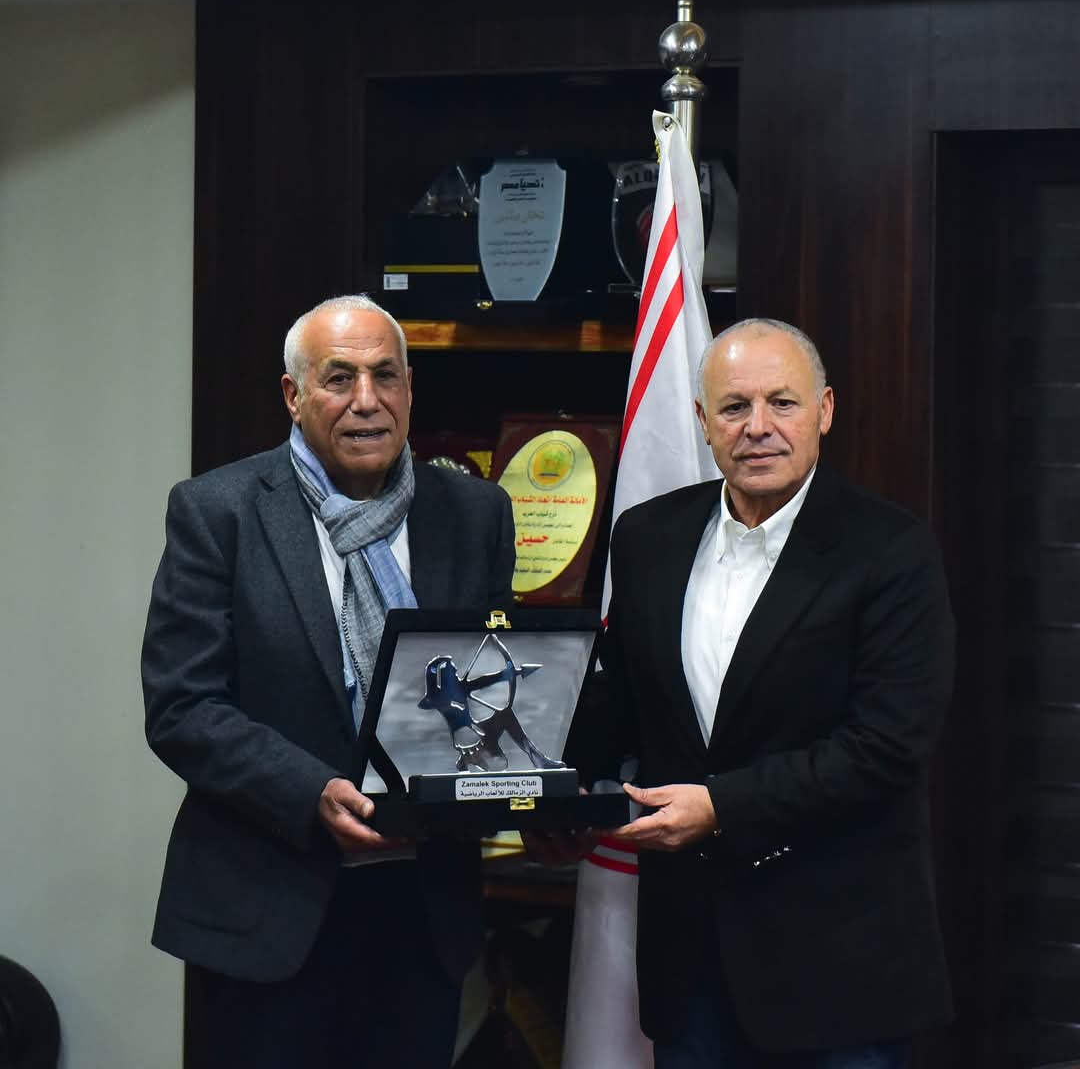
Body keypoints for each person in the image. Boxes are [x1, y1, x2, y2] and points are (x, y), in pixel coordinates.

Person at [567, 318, 954, 1068]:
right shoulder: (647, 537)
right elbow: (622, 701)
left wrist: (721, 807)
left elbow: (885, 747)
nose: (758, 427)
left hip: (837, 970)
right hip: (688, 965)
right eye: (735, 406)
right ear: (701, 420)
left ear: (825, 411)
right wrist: (562, 796)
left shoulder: (891, 551)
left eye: (782, 402)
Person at [141, 294, 515, 1069]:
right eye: (339, 378)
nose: (366, 401)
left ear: (409, 388)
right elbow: (183, 706)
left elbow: (489, 683)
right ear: (294, 394)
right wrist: (311, 791)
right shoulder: (220, 512)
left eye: (386, 376)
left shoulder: (476, 512)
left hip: (421, 911)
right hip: (269, 908)